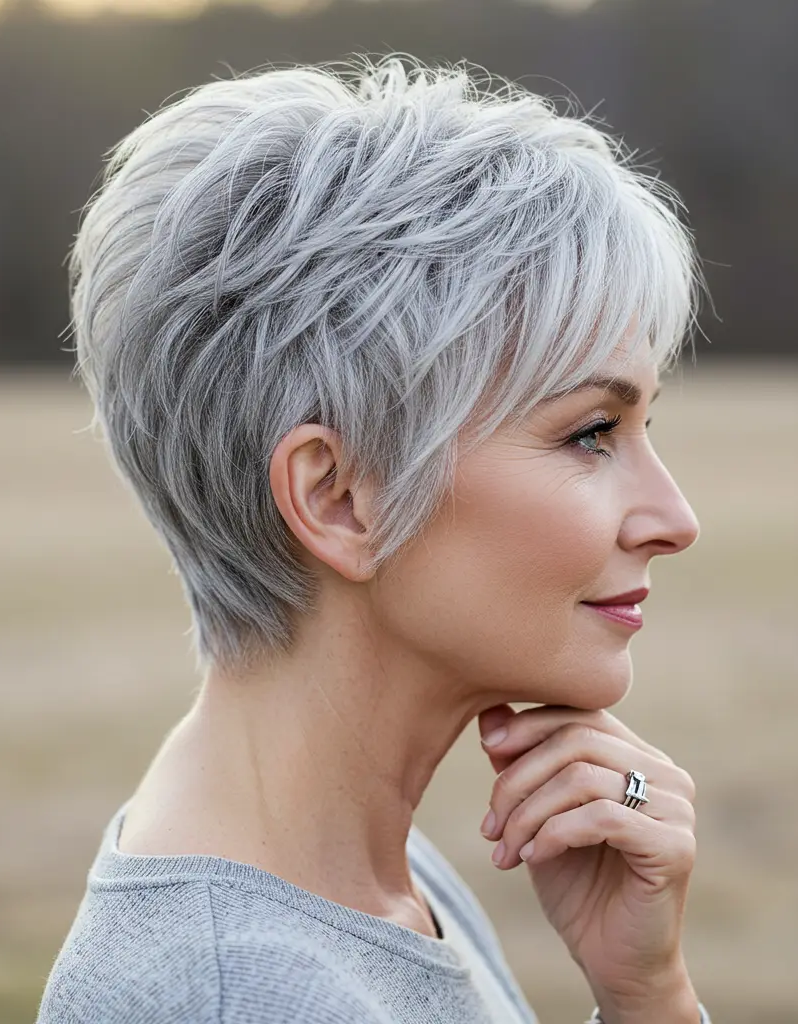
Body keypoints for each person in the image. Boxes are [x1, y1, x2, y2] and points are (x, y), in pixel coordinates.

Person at [37, 53, 713, 1024]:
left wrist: (645, 995)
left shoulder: (369, 883)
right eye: (590, 433)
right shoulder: (232, 995)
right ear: (340, 497)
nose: (674, 520)